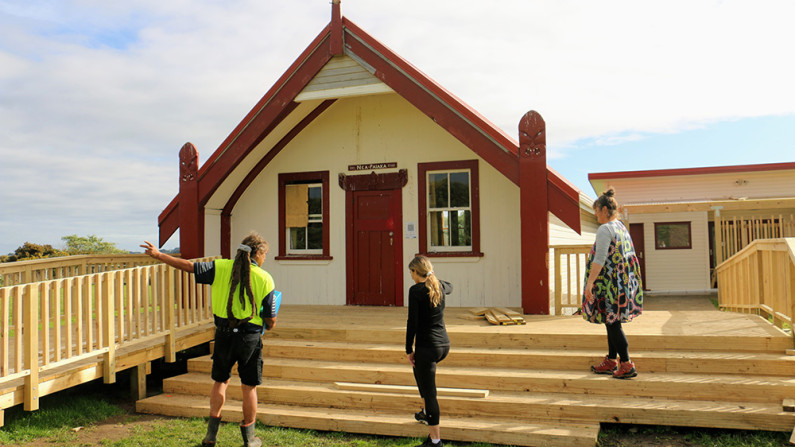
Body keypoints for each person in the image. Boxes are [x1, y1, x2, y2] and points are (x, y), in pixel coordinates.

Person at [140, 232, 276, 447]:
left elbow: (187, 266)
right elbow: (270, 317)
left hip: (223, 334)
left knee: (220, 381)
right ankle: (250, 438)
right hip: (249, 337)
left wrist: (158, 255)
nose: (265, 258)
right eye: (265, 254)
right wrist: (269, 325)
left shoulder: (220, 267)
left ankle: (211, 435)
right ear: (258, 253)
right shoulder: (265, 278)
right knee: (249, 386)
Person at [582, 189, 643, 379]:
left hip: (610, 286)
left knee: (614, 324)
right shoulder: (620, 227)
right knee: (611, 323)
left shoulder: (605, 229)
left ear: (605, 209)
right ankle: (611, 360)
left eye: (597, 210)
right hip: (621, 284)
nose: (595, 214)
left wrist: (590, 283)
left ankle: (626, 364)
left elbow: (599, 259)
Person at [405, 256, 453, 447]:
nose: (411, 277)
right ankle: (426, 412)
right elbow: (450, 285)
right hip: (443, 345)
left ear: (417, 272)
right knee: (420, 374)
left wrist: (409, 349)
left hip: (427, 347)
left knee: (430, 393)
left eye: (412, 273)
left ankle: (435, 441)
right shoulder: (439, 286)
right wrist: (432, 276)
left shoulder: (416, 291)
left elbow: (412, 322)